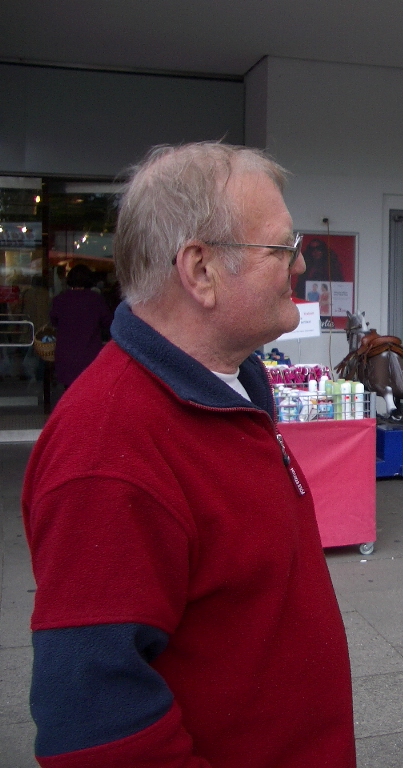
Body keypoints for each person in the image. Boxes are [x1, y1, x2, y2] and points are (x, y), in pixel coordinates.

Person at [22, 143, 356, 767]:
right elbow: (94, 727)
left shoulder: (229, 386)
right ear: (200, 271)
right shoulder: (107, 453)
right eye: (282, 247)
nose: (300, 261)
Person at [49, 264, 113, 388]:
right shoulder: (96, 300)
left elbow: (54, 321)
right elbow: (108, 322)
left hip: (66, 355)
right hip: (90, 354)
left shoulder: (60, 300)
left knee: (69, 391)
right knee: (89, 391)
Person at [294, 236, 347, 304]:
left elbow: (339, 287)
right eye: (312, 249)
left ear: (323, 250)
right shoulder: (306, 269)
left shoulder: (332, 268)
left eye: (318, 248)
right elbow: (300, 290)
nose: (315, 251)